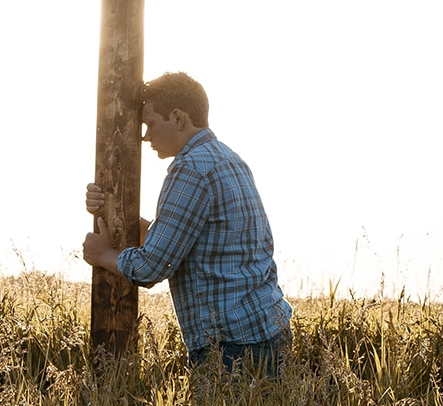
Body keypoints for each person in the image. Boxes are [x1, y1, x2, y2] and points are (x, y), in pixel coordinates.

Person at [82, 72, 292, 377]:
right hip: (268, 329)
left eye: (150, 123)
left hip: (232, 347)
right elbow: (186, 240)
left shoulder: (190, 169)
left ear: (178, 118)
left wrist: (101, 256)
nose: (145, 136)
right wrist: (111, 210)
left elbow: (151, 266)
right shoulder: (227, 159)